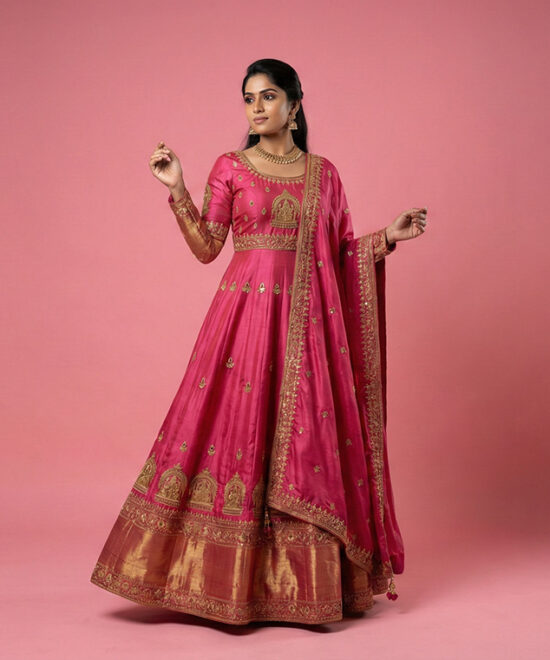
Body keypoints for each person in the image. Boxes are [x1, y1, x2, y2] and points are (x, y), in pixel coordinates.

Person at [90, 58, 428, 626]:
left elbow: (338, 254)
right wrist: (177, 189)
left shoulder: (324, 175)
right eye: (249, 98)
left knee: (305, 442)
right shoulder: (231, 166)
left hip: (308, 329)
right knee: (235, 433)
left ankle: (303, 588)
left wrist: (384, 240)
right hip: (243, 321)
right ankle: (224, 583)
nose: (256, 107)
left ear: (294, 106)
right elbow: (207, 246)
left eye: (268, 96)